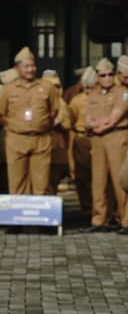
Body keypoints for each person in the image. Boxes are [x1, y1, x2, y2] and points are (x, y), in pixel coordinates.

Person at [0, 46, 63, 195]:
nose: (30, 70)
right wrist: (17, 126)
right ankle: (18, 210)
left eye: (33, 66)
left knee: (41, 184)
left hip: (41, 140)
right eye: (26, 66)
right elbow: (1, 114)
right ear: (17, 68)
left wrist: (42, 125)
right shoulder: (8, 89)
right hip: (16, 140)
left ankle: (38, 210)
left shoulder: (47, 87)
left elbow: (54, 111)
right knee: (17, 183)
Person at [85, 58, 128, 233]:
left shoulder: (123, 92)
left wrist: (98, 126)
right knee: (98, 180)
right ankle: (100, 219)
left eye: (110, 74)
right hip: (97, 139)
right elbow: (87, 117)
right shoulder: (93, 94)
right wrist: (93, 126)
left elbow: (114, 117)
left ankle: (125, 220)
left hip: (116, 136)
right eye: (103, 75)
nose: (107, 78)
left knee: (120, 180)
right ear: (97, 77)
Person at [66, 67, 95, 217]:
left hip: (98, 139)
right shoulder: (76, 101)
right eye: (86, 88)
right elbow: (70, 122)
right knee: (82, 176)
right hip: (81, 139)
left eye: (92, 87)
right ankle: (87, 206)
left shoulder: (101, 99)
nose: (89, 91)